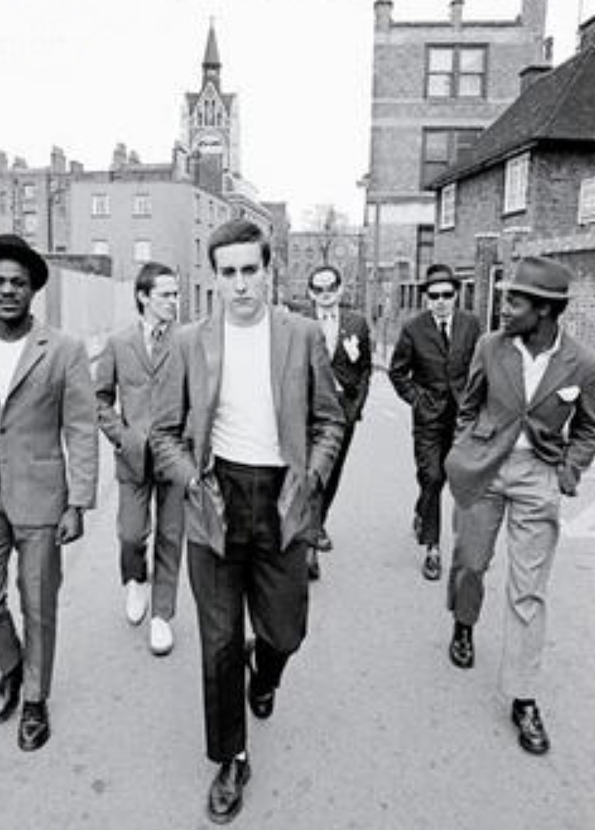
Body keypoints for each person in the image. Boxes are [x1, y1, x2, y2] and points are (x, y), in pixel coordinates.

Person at [151, 219, 344, 825]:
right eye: (228, 273)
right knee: (218, 642)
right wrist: (190, 478)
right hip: (214, 499)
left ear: (269, 270)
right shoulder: (189, 342)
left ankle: (266, 674)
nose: (239, 285)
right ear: (215, 277)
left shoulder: (302, 334)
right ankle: (231, 756)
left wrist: (310, 475)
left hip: (281, 497)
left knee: (286, 632)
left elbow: (329, 420)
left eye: (250, 271)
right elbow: (162, 431)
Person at [0, 234, 98, 752]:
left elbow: (80, 427)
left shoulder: (64, 349)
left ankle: (34, 697)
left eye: (18, 282)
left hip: (42, 497)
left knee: (39, 606)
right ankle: (11, 667)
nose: (8, 290)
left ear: (33, 290)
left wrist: (78, 501)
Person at [445, 256, 595, 756]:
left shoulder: (584, 363)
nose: (503, 306)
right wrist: (463, 451)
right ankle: (463, 623)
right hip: (485, 469)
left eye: (514, 300)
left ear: (545, 310)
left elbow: (591, 427)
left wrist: (568, 470)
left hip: (539, 476)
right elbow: (468, 405)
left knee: (528, 591)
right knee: (471, 563)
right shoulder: (491, 347)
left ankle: (523, 696)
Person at [95, 261, 184, 656]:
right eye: (165, 294)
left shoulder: (188, 340)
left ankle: (162, 615)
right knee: (131, 535)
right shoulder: (118, 343)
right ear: (143, 297)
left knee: (170, 536)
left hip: (176, 457)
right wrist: (122, 436)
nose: (173, 301)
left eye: (175, 294)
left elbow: (202, 395)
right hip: (133, 456)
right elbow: (99, 400)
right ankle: (135, 580)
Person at [389, 264, 481, 581]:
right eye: (434, 295)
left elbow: (480, 370)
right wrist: (417, 399)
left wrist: (477, 405)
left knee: (445, 480)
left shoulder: (471, 326)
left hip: (462, 419)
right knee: (431, 475)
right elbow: (397, 372)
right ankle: (433, 549)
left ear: (456, 296)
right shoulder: (414, 328)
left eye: (447, 295)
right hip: (428, 418)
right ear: (426, 297)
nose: (440, 301)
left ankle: (421, 510)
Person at [304, 264, 372, 580]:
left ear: (341, 289)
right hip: (306, 414)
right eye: (318, 288)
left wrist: (355, 407)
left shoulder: (357, 323)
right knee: (311, 473)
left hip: (343, 414)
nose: (325, 293)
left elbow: (366, 368)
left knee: (332, 475)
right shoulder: (299, 323)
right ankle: (309, 544)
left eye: (330, 286)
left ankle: (317, 523)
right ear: (310, 293)